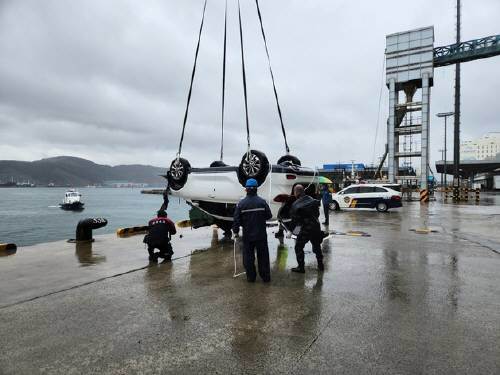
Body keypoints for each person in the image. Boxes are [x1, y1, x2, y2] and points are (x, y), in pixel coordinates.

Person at [232, 178, 273, 282]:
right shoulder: (262, 202)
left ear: (246, 189)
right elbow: (269, 216)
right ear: (256, 189)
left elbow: (236, 220)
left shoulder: (241, 204)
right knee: (263, 257)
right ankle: (265, 277)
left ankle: (251, 277)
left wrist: (235, 232)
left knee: (248, 257)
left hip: (248, 236)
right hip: (261, 235)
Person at [290, 184, 324, 273]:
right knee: (317, 246)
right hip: (316, 227)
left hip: (304, 229)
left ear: (296, 192)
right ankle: (320, 264)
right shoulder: (312, 200)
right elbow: (317, 214)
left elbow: (295, 222)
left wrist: (293, 233)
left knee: (298, 247)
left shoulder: (295, 205)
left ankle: (301, 267)